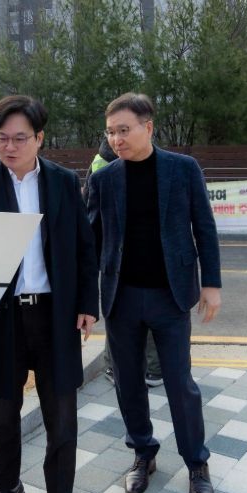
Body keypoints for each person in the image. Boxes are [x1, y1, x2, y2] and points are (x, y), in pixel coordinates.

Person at [0, 95, 99, 493]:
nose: (10, 147)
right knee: (3, 416)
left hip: (54, 316)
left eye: (20, 138)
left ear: (39, 138)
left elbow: (84, 247)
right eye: (2, 138)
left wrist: (88, 304)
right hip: (3, 319)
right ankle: (7, 491)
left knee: (62, 417)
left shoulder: (62, 180)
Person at [88, 92, 221, 493]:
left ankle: (196, 462)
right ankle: (143, 452)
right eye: (110, 132)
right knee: (128, 382)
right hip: (121, 297)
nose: (116, 140)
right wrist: (83, 300)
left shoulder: (183, 169)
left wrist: (212, 283)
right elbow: (90, 243)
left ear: (148, 127)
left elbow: (204, 226)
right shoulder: (104, 179)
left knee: (180, 384)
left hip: (170, 295)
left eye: (124, 130)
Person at [84, 138, 163, 387]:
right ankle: (153, 369)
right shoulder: (122, 163)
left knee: (116, 314)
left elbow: (90, 212)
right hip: (131, 253)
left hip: (112, 254)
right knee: (143, 314)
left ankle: (113, 365)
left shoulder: (98, 162)